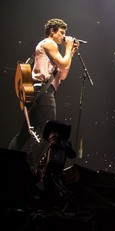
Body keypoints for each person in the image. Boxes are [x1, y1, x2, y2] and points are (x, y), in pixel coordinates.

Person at [9, 18, 79, 169]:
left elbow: (63, 73)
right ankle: (30, 165)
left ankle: (9, 162)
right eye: (61, 32)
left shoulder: (52, 47)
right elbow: (62, 63)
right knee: (51, 133)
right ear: (52, 31)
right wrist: (67, 48)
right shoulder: (48, 43)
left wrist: (70, 53)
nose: (63, 36)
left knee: (24, 135)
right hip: (43, 91)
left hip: (42, 91)